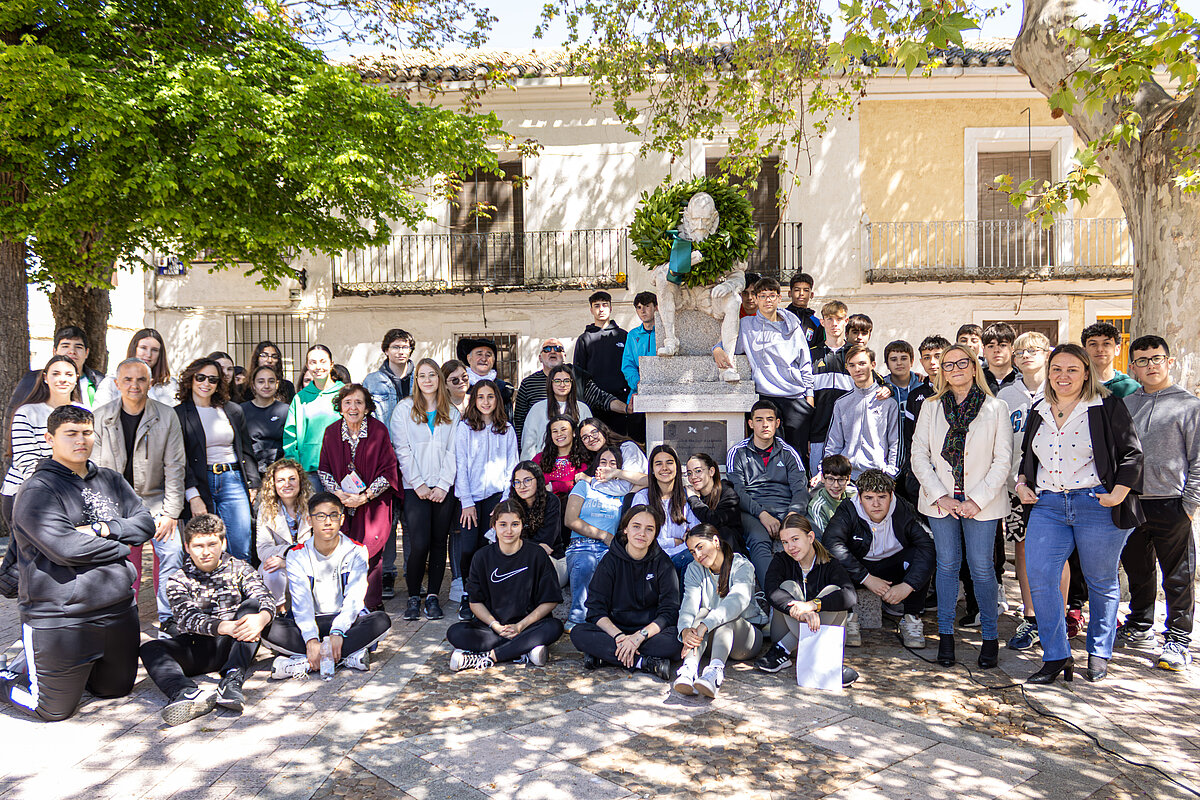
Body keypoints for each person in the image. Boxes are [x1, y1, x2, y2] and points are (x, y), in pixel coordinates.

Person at [0, 405, 154, 721]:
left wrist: (102, 528)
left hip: (118, 611)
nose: (80, 440)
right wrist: (122, 547)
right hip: (61, 617)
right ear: (50, 438)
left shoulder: (111, 479)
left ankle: (52, 668)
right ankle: (7, 677)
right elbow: (65, 547)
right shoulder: (36, 490)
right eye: (70, 433)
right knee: (52, 710)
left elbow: (145, 524)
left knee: (115, 690)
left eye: (86, 432)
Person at [1015, 343, 1143, 684]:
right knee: (1041, 579)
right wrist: (1021, 482)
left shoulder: (1106, 406)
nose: (1063, 376)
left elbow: (1132, 454)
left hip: (1096, 504)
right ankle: (1056, 656)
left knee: (1101, 581)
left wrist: (1118, 493)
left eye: (1072, 369)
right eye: (1057, 369)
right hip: (1048, 506)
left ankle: (1099, 653)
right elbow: (1030, 456)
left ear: (1086, 372)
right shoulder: (1038, 408)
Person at [910, 343, 1011, 669]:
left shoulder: (996, 408)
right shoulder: (931, 407)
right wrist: (942, 495)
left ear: (973, 367)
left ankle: (991, 637)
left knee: (982, 568)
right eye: (948, 364)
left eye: (961, 363)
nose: (954, 369)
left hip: (982, 504)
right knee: (948, 564)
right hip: (941, 502)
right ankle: (946, 638)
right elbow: (919, 456)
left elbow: (1003, 461)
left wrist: (975, 500)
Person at [140, 514, 276, 726]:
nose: (205, 552)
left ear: (223, 543)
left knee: (252, 608)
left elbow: (264, 596)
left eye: (212, 544)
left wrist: (262, 618)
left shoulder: (240, 568)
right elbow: (189, 618)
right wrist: (225, 626)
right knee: (150, 649)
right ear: (187, 547)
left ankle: (231, 681)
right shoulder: (178, 579)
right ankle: (186, 693)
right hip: (201, 645)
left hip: (238, 642)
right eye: (198, 546)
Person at [1117, 335, 1199, 671]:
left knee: (1178, 575)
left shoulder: (1188, 405)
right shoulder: (1126, 403)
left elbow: (1198, 458)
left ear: (1168, 361)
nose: (1150, 365)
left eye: (1156, 359)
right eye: (1142, 360)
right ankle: (1139, 625)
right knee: (1138, 569)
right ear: (1133, 367)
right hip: (1132, 501)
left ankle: (1178, 639)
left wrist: (1190, 504)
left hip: (1171, 502)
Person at [93, 358, 187, 638]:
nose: (134, 385)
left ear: (150, 383)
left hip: (156, 500)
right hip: (115, 503)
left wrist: (171, 513)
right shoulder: (100, 417)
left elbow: (175, 467)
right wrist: (103, 514)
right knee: (121, 561)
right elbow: (94, 470)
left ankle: (169, 617)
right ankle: (125, 615)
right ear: (117, 383)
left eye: (141, 380)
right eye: (128, 380)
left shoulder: (166, 415)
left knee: (172, 552)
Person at [267, 493, 392, 678]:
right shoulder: (297, 554)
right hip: (311, 621)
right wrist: (310, 639)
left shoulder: (356, 551)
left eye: (333, 515)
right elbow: (301, 602)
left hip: (346, 623)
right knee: (268, 628)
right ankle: (347, 657)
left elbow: (355, 598)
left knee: (381, 621)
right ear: (309, 520)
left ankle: (303, 662)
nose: (328, 522)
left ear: (341, 519)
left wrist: (338, 631)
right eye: (320, 516)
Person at [446, 501, 565, 670]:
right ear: (493, 526)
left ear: (522, 525)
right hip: (494, 630)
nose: (509, 530)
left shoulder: (536, 554)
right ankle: (524, 650)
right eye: (503, 524)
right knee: (455, 632)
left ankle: (490, 656)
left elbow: (550, 600)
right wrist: (495, 626)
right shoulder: (481, 557)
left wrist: (520, 626)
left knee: (553, 627)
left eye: (514, 524)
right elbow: (475, 602)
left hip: (528, 626)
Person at [823, 469, 934, 649]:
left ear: (891, 496)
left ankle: (911, 618)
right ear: (859, 498)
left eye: (882, 497)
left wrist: (908, 586)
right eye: (869, 498)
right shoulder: (849, 509)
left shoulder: (903, 509)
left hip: (894, 565)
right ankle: (849, 618)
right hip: (859, 567)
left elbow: (927, 545)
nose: (876, 504)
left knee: (920, 554)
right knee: (834, 560)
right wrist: (866, 578)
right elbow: (831, 543)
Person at [569, 505, 682, 680]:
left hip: (648, 633)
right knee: (578, 633)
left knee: (676, 640)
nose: (642, 533)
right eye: (636, 526)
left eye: (649, 529)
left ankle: (606, 657)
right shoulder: (610, 561)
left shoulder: (663, 564)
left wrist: (639, 637)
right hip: (615, 631)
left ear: (655, 534)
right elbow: (595, 609)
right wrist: (620, 637)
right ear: (625, 529)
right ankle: (644, 662)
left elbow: (669, 611)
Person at [318, 383, 400, 610]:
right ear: (340, 407)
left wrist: (365, 497)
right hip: (342, 503)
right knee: (342, 551)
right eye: (347, 402)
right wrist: (339, 495)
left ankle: (371, 605)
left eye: (358, 402)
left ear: (366, 407)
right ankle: (346, 604)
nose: (353, 407)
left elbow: (389, 470)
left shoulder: (378, 431)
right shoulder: (332, 432)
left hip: (373, 504)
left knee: (370, 553)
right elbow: (323, 469)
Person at [390, 358, 459, 622]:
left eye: (432, 375)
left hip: (443, 488)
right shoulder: (404, 409)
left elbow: (454, 452)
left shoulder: (452, 413)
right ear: (415, 380)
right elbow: (402, 450)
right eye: (422, 376)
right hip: (414, 488)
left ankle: (432, 597)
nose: (427, 380)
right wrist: (418, 483)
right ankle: (413, 597)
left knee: (439, 542)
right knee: (419, 544)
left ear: (440, 380)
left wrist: (443, 485)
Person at [712, 276, 814, 454]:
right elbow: (729, 344)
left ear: (779, 298)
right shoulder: (746, 325)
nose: (768, 300)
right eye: (763, 296)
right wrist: (717, 349)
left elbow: (805, 362)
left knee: (798, 453)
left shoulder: (793, 326)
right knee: (770, 453)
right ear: (756, 299)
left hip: (794, 396)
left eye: (772, 295)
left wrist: (809, 397)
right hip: (765, 398)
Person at [755, 514, 858, 686]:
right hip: (785, 629)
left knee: (833, 591)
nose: (790, 547)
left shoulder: (830, 563)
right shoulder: (781, 560)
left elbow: (851, 595)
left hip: (824, 635)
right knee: (787, 587)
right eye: (785, 542)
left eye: (795, 539)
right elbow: (771, 591)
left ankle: (784, 650)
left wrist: (812, 606)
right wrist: (800, 614)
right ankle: (826, 662)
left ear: (810, 537)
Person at [996, 331, 1052, 651]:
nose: (1026, 355)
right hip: (1018, 488)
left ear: (1047, 353)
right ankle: (1031, 618)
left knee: (1059, 555)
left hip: (1056, 485)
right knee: (1023, 551)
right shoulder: (1006, 396)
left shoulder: (1061, 389)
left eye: (1033, 350)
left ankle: (1058, 616)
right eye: (1020, 352)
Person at [175, 358, 261, 562]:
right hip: (200, 482)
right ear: (191, 379)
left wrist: (252, 483)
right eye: (201, 377)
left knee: (241, 545)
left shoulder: (232, 410)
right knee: (205, 546)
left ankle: (242, 592)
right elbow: (179, 460)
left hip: (233, 479)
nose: (206, 383)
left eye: (212, 379)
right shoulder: (178, 414)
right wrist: (192, 496)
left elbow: (245, 449)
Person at [726, 399, 810, 588]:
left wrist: (792, 515)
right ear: (750, 424)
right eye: (759, 420)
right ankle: (774, 595)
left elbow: (800, 489)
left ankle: (816, 592)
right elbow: (737, 491)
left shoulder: (789, 452)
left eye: (770, 420)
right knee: (758, 539)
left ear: (777, 423)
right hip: (752, 511)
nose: (765, 424)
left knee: (813, 535)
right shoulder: (737, 453)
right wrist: (762, 514)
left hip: (786, 508)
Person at [674, 524, 764, 698]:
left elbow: (737, 602)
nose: (698, 555)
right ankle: (689, 669)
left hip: (744, 639)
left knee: (726, 620)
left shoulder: (741, 565)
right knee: (700, 613)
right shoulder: (694, 568)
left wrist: (704, 625)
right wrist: (685, 630)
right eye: (693, 551)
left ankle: (714, 673)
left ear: (715, 541)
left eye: (700, 547)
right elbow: (689, 603)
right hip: (708, 636)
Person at [454, 379, 518, 619]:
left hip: (496, 497)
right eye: (480, 397)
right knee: (469, 548)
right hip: (470, 498)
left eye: (490, 397)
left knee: (490, 546)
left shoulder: (506, 429)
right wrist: (466, 502)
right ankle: (468, 594)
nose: (485, 402)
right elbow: (460, 464)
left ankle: (487, 594)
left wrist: (504, 501)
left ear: (497, 400)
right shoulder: (466, 428)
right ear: (474, 400)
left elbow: (512, 465)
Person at [3, 356, 82, 527]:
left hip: (71, 493)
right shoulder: (28, 412)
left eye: (69, 374)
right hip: (26, 493)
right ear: (46, 378)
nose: (62, 379)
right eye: (56, 374)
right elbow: (26, 461)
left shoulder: (84, 412)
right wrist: (53, 492)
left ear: (77, 377)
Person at [563, 445, 628, 629]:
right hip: (582, 545)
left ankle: (608, 621)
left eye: (613, 463)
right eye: (603, 462)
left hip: (610, 548)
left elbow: (647, 481)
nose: (607, 466)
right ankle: (577, 619)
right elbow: (570, 520)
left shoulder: (621, 491)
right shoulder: (584, 486)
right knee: (586, 563)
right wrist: (603, 535)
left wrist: (619, 474)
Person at [512, 338, 622, 444]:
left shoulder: (578, 378)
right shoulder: (528, 383)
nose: (553, 351)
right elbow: (519, 421)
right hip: (541, 451)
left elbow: (601, 398)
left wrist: (626, 408)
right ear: (540, 358)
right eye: (547, 349)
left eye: (558, 349)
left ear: (564, 357)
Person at [824, 345, 899, 480]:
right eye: (852, 365)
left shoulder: (889, 403)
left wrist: (890, 474)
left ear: (873, 365)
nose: (857, 369)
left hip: (879, 475)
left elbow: (895, 442)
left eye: (862, 363)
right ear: (847, 368)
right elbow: (834, 442)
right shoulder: (841, 403)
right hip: (847, 477)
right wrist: (829, 471)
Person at [633, 444, 700, 578]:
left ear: (677, 467)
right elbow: (638, 536)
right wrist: (672, 542)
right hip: (652, 558)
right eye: (658, 464)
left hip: (681, 557)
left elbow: (697, 533)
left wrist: (684, 543)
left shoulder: (687, 497)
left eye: (669, 463)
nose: (664, 468)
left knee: (692, 559)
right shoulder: (643, 498)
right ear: (652, 469)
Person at [283, 344, 345, 490]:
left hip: (341, 469)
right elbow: (290, 437)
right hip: (311, 472)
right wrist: (295, 468)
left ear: (331, 364)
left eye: (323, 361)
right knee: (313, 512)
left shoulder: (345, 393)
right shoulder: (300, 398)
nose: (318, 366)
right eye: (313, 362)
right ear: (307, 366)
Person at [6, 326, 104, 415]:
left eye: (78, 347)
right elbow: (12, 414)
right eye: (65, 346)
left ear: (86, 353)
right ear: (55, 351)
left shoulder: (99, 381)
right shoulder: (32, 380)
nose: (72, 351)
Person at [255, 458, 313, 607]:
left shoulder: (313, 505)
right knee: (270, 570)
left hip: (310, 562)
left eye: (292, 479)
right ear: (273, 484)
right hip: (278, 563)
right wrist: (286, 554)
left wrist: (288, 560)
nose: (287, 484)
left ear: (300, 481)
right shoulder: (266, 509)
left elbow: (320, 546)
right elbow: (263, 550)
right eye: (281, 480)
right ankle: (278, 612)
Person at [573, 290, 629, 433]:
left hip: (621, 403)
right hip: (595, 405)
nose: (601, 309)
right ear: (591, 310)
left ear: (611, 308)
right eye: (597, 305)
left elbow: (631, 366)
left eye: (605, 305)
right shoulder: (584, 339)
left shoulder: (624, 336)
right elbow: (579, 375)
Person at [509, 461, 567, 585]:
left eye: (527, 480)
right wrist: (535, 545)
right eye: (517, 482)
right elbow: (503, 541)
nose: (522, 486)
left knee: (528, 565)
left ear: (538, 480)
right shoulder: (511, 506)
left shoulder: (552, 502)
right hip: (518, 561)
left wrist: (517, 543)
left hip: (552, 561)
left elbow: (546, 543)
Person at [520, 366, 592, 460]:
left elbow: (589, 439)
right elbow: (528, 444)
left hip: (576, 462)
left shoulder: (582, 408)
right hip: (544, 463)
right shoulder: (537, 409)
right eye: (557, 381)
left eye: (566, 381)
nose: (562, 385)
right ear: (551, 383)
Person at [94, 328, 179, 407]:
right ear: (134, 349)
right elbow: (99, 416)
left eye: (154, 350)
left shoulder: (170, 385)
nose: (148, 354)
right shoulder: (111, 383)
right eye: (143, 348)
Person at [685, 452, 744, 553]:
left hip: (730, 553)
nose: (693, 477)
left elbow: (715, 520)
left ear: (711, 471)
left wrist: (694, 500)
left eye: (698, 471)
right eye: (689, 473)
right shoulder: (689, 495)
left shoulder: (727, 493)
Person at [241, 365, 290, 476]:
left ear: (277, 384)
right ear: (253, 385)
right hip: (250, 471)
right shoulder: (241, 410)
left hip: (279, 471)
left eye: (271, 381)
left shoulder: (286, 410)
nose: (266, 386)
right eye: (261, 381)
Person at [577, 417, 649, 491]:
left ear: (603, 430)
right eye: (585, 437)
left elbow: (625, 487)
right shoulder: (592, 458)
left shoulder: (627, 447)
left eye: (594, 433)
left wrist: (591, 481)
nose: (591, 439)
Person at [363, 328, 416, 427]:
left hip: (416, 439)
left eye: (405, 347)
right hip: (385, 439)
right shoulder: (372, 381)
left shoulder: (420, 378)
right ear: (386, 351)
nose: (401, 352)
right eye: (395, 347)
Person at [533, 415, 589, 503]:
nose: (559, 434)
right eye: (555, 431)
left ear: (574, 432)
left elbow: (583, 486)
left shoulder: (584, 457)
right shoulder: (539, 458)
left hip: (575, 507)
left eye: (563, 430)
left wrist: (553, 486)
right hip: (544, 507)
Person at [457, 337, 515, 414]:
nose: (484, 359)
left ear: (493, 360)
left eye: (488, 355)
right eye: (479, 354)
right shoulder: (458, 385)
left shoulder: (502, 388)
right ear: (469, 358)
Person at [1082, 322, 1140, 398]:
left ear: (1117, 349)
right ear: (1084, 351)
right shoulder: (1077, 385)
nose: (1100, 349)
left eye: (1106, 343)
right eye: (1093, 344)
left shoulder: (1131, 388)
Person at [807, 454, 857, 537]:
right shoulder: (818, 507)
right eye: (830, 479)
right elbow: (826, 540)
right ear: (823, 478)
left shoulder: (855, 495)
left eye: (841, 479)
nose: (836, 485)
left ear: (848, 479)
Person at [621, 290, 657, 400]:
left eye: (647, 306)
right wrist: (638, 383)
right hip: (638, 393)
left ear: (656, 307)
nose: (643, 311)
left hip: (662, 390)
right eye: (639, 307)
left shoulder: (666, 333)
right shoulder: (632, 335)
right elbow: (628, 365)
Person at [783, 271, 825, 353]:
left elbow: (820, 348)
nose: (801, 293)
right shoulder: (782, 317)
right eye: (797, 290)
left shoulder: (817, 323)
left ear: (811, 295)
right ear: (789, 293)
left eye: (806, 290)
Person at [982, 323, 1020, 394]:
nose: (996, 350)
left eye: (1003, 345)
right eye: (991, 346)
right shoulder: (976, 382)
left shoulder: (1021, 382)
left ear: (1012, 349)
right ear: (984, 351)